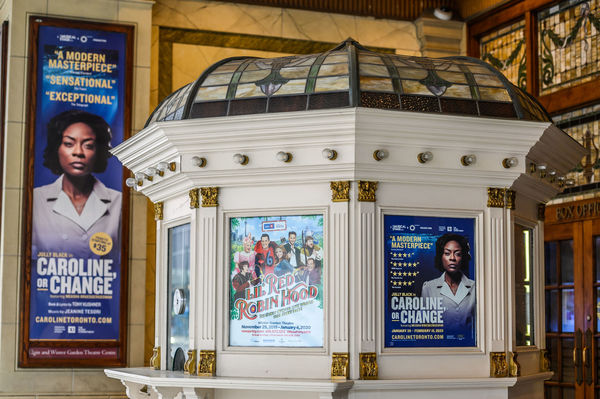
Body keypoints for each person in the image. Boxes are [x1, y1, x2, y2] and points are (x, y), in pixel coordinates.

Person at [32, 110, 121, 258]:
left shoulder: (118, 202)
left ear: (98, 152)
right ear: (57, 149)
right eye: (69, 144)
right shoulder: (36, 200)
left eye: (88, 145)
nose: (78, 152)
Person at [421, 233, 475, 334]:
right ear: (441, 257)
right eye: (447, 253)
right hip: (439, 346)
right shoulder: (428, 288)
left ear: (463, 258)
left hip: (468, 347)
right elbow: (425, 327)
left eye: (457, 254)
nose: (452, 258)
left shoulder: (475, 287)